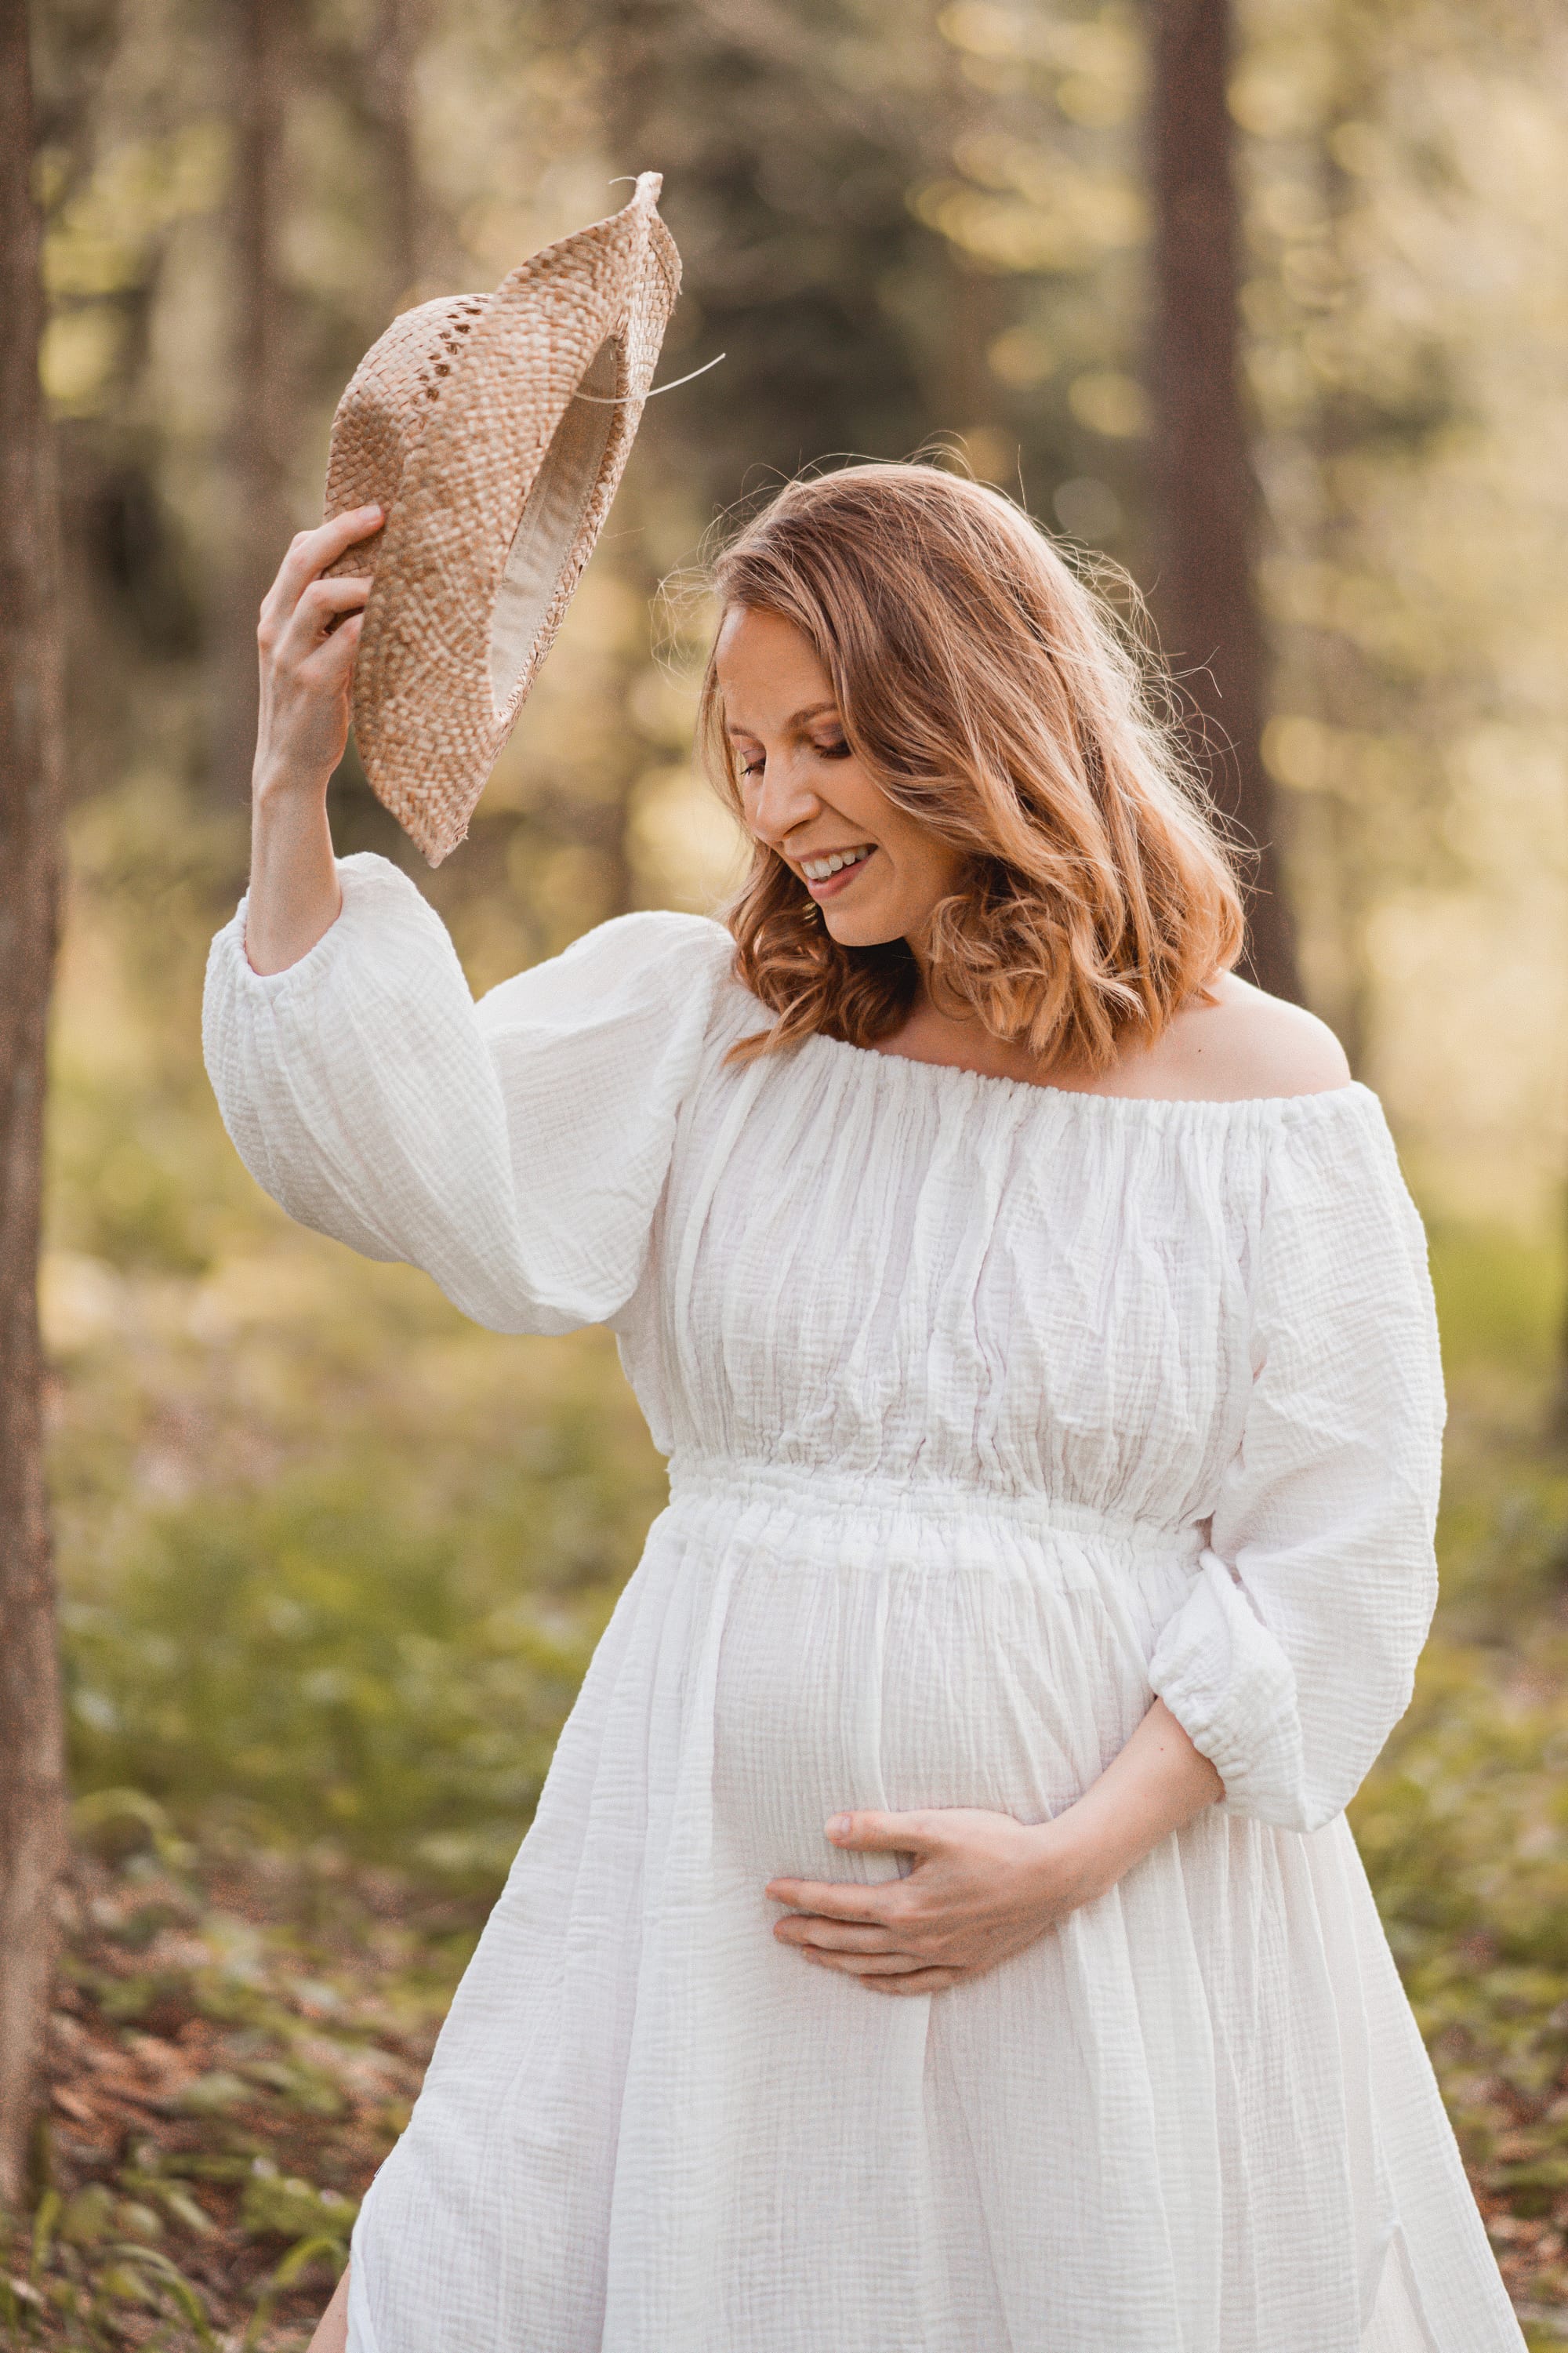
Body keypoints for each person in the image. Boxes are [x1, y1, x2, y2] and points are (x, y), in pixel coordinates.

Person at [203, 463, 1525, 2353]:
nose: (779, 807)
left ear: (985, 712)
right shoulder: (717, 1026)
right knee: (465, 2272)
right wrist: (288, 785)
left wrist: (1064, 1861)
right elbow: (393, 1147)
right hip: (691, 1894)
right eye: (747, 755)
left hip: (1092, 1933)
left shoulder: (1266, 1102)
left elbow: (1335, 1557)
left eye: (828, 742)